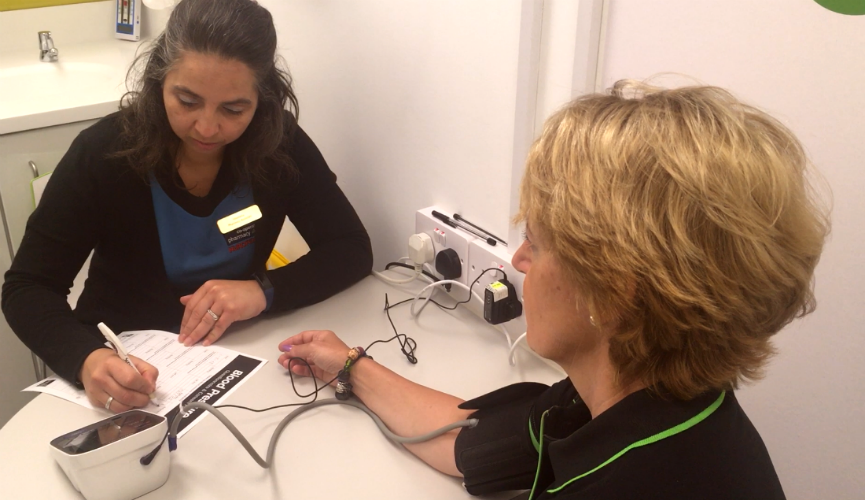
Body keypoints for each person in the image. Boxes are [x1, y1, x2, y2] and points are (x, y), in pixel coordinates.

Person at [276, 81, 829, 499]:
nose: (517, 261)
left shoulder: (649, 475)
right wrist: (348, 364)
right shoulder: (630, 401)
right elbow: (464, 441)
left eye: (536, 243)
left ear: (614, 291)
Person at [2, 0, 372, 414]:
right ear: (159, 80)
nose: (208, 127)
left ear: (263, 97)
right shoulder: (105, 153)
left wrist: (262, 292)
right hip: (125, 364)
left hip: (239, 356)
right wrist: (87, 360)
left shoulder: (278, 143)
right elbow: (27, 288)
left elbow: (350, 248)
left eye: (234, 109)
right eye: (187, 100)